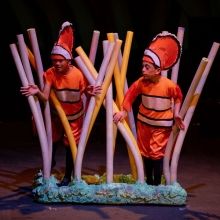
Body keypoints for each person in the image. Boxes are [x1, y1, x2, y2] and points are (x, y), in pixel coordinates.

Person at [20, 21, 101, 187]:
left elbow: (84, 90)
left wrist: (89, 91)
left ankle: (68, 177)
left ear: (68, 60)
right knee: (54, 142)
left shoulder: (78, 74)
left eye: (60, 61)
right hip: (57, 117)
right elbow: (45, 96)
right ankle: (50, 165)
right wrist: (37, 91)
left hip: (75, 118)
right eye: (54, 60)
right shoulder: (50, 73)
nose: (56, 63)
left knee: (71, 146)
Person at [113, 32, 185, 186]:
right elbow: (129, 95)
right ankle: (149, 180)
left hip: (161, 125)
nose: (143, 69)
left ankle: (157, 183)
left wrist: (177, 114)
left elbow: (178, 96)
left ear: (157, 70)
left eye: (147, 67)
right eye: (143, 66)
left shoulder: (168, 85)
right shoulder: (141, 83)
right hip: (144, 123)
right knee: (145, 151)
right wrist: (123, 112)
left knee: (156, 153)